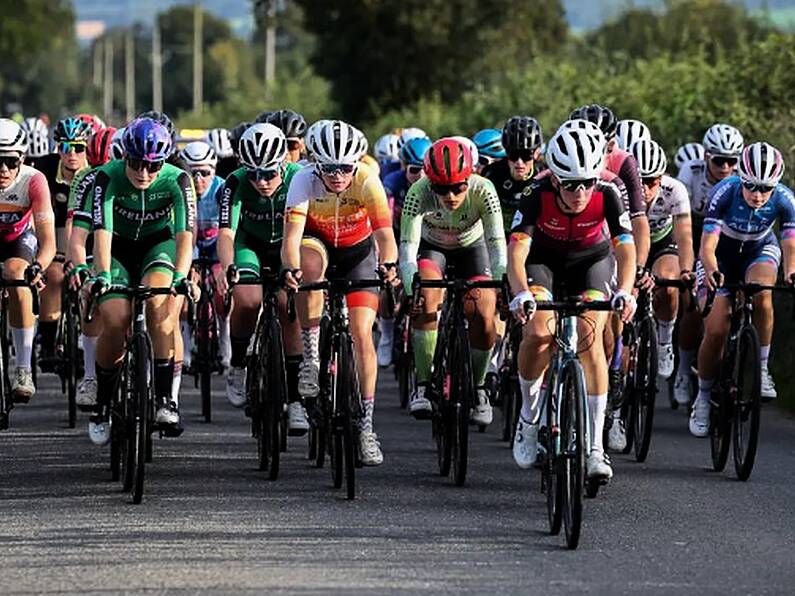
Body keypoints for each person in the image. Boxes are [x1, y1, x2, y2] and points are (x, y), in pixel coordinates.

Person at [507, 126, 636, 481]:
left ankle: (595, 448)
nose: (579, 193)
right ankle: (529, 419)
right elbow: (516, 252)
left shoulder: (609, 193)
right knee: (537, 333)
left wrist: (626, 290)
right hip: (543, 262)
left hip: (591, 262)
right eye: (569, 184)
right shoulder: (536, 192)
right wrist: (520, 292)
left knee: (589, 339)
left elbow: (625, 248)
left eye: (587, 183)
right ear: (555, 179)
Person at [282, 120, 398, 466]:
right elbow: (291, 239)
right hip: (315, 244)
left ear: (356, 163)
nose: (337, 176)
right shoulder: (302, 179)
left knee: (362, 334)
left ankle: (366, 426)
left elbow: (385, 237)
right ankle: (312, 358)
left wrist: (389, 264)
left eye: (345, 168)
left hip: (357, 253)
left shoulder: (366, 179)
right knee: (308, 265)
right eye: (329, 169)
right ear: (316, 163)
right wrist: (291, 270)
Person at [88, 117, 196, 442]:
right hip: (117, 250)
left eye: (153, 166)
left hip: (157, 247)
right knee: (116, 318)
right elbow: (102, 234)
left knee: (160, 305)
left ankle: (165, 400)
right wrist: (103, 275)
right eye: (136, 163)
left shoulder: (179, 180)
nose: (144, 173)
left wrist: (180, 277)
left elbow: (184, 238)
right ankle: (103, 402)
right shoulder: (107, 176)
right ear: (125, 157)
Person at [399, 137, 506, 425]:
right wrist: (411, 289)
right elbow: (407, 251)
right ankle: (423, 385)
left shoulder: (484, 190)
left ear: (470, 178)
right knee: (426, 300)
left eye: (458, 187)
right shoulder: (418, 192)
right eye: (441, 189)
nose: (450, 196)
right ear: (429, 183)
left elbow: (497, 246)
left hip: (474, 247)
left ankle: (479, 387)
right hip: (433, 248)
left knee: (484, 315)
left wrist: (501, 285)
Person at [691, 142, 795, 436]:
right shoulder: (724, 192)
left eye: (766, 188)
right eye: (751, 186)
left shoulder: (786, 199)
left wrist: (790, 271)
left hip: (759, 250)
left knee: (763, 293)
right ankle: (703, 396)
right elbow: (707, 246)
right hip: (720, 255)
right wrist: (711, 270)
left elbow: (789, 244)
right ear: (741, 176)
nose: (758, 195)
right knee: (716, 330)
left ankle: (762, 370)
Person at [214, 124, 306, 433]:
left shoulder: (297, 178)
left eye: (268, 174)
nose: (262, 182)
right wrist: (229, 267)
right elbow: (226, 234)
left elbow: (298, 233)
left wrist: (292, 269)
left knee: (287, 306)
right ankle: (238, 364)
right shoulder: (234, 183)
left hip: (286, 246)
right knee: (249, 300)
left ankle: (295, 400)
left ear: (282, 163)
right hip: (248, 246)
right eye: (254, 174)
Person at [673, 123, 744, 405]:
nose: (725, 167)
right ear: (706, 156)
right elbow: (684, 223)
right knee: (691, 302)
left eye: (731, 161)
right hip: (696, 226)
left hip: (728, 233)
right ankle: (682, 368)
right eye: (719, 160)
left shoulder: (743, 175)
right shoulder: (691, 171)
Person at [0, 119, 56, 402]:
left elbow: (47, 240)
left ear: (22, 158)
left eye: (11, 161)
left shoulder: (34, 180)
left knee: (17, 274)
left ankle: (22, 368)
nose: (4, 170)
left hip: (19, 240)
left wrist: (39, 267)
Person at [630, 139, 694, 379]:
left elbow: (685, 236)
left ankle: (665, 342)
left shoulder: (674, 189)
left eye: (651, 182)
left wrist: (686, 269)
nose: (645, 189)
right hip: (629, 243)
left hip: (662, 243)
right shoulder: (618, 188)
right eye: (638, 181)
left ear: (662, 178)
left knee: (669, 283)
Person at [64, 126, 117, 415]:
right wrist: (78, 264)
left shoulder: (130, 176)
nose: (102, 172)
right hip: (94, 240)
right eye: (97, 166)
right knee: (90, 297)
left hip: (124, 243)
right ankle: (90, 377)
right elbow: (75, 226)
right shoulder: (85, 178)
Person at [37, 117, 93, 370]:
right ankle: (48, 344)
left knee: (90, 280)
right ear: (57, 148)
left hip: (89, 233)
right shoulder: (45, 169)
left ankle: (86, 337)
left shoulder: (96, 172)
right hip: (55, 229)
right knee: (55, 274)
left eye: (79, 148)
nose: (72, 154)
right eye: (65, 147)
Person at [377, 136, 431, 367]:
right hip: (398, 235)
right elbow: (385, 221)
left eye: (425, 170)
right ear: (402, 167)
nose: (420, 175)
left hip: (427, 238)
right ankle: (387, 334)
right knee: (387, 283)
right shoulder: (393, 181)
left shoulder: (433, 185)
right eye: (414, 169)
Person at [179, 141, 230, 370]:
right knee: (185, 288)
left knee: (224, 291)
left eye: (204, 173)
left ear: (214, 172)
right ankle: (185, 346)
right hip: (192, 243)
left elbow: (228, 232)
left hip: (217, 245)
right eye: (193, 173)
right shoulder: (181, 190)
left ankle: (225, 340)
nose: (198, 179)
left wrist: (222, 267)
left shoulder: (222, 189)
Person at [482, 116, 544, 232]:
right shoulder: (492, 174)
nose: (519, 163)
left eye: (526, 155)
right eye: (513, 155)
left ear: (536, 153)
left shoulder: (544, 176)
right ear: (505, 152)